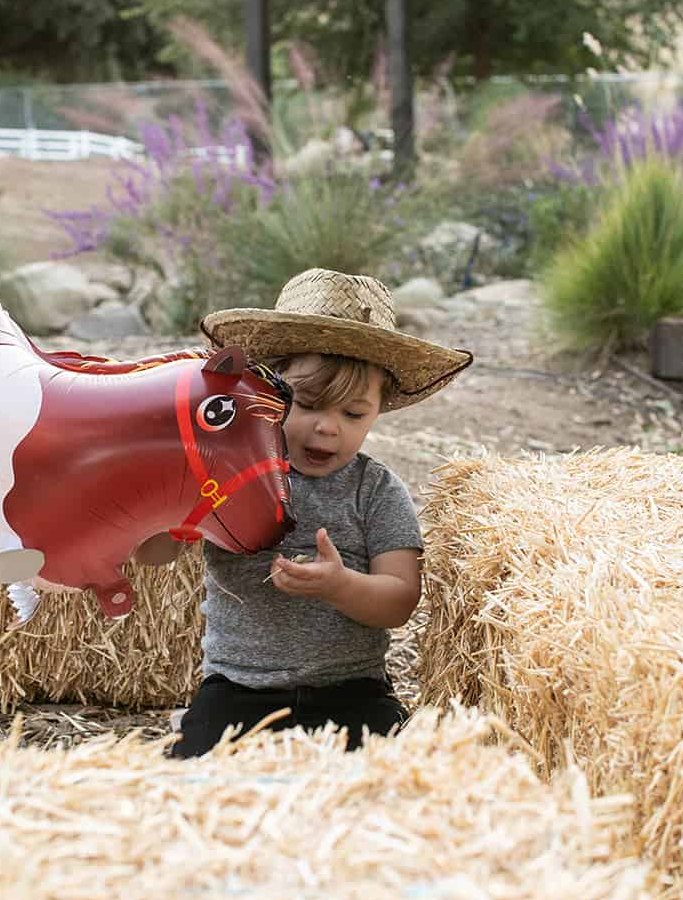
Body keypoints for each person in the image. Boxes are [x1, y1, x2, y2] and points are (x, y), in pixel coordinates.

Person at [140, 267, 473, 757]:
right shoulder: (228, 475)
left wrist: (341, 586)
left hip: (352, 691)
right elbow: (152, 552)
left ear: (378, 412)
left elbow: (401, 600)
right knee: (196, 779)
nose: (327, 429)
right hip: (238, 690)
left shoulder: (376, 491)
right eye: (309, 404)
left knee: (399, 777)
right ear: (267, 390)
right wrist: (171, 514)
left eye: (353, 414)